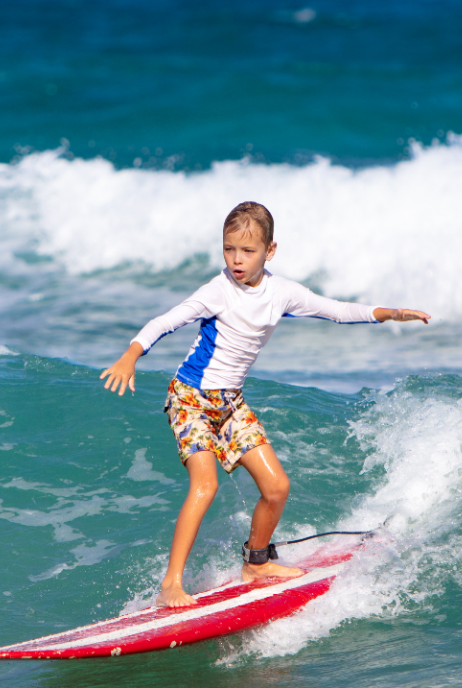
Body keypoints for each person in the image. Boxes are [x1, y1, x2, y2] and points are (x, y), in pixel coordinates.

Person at [100, 201, 430, 608]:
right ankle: (171, 583)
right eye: (229, 249)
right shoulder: (217, 291)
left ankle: (255, 563)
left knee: (276, 488)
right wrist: (131, 355)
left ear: (269, 251)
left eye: (247, 251)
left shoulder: (281, 293)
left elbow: (337, 311)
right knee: (205, 485)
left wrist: (389, 313)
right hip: (190, 399)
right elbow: (166, 321)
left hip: (230, 403)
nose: (236, 260)